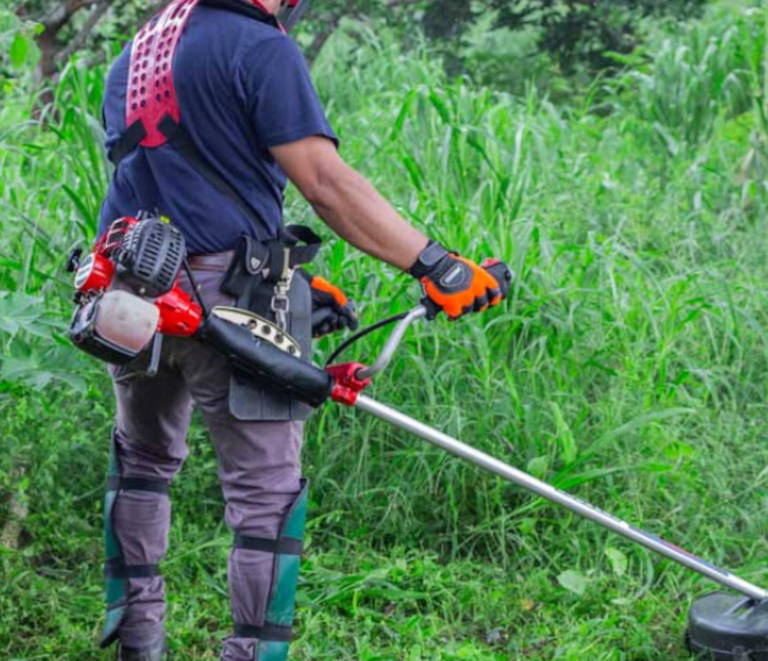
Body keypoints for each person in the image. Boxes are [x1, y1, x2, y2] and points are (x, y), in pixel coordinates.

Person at [96, 0, 505, 659]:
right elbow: (324, 182)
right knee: (265, 492)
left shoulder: (138, 51)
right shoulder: (261, 46)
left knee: (142, 461)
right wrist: (436, 264)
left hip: (129, 292)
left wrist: (295, 279)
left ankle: (138, 641)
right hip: (220, 296)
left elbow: (180, 175)